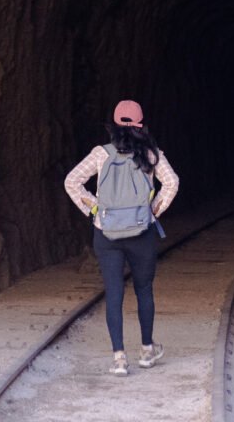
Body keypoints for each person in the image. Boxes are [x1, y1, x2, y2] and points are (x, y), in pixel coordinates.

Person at [64, 99, 180, 376]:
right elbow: (172, 182)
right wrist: (153, 211)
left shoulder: (100, 154)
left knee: (114, 293)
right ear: (142, 124)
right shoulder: (152, 154)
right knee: (144, 290)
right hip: (141, 232)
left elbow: (71, 181)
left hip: (107, 233)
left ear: (113, 125)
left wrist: (93, 210)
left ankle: (119, 358)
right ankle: (147, 351)